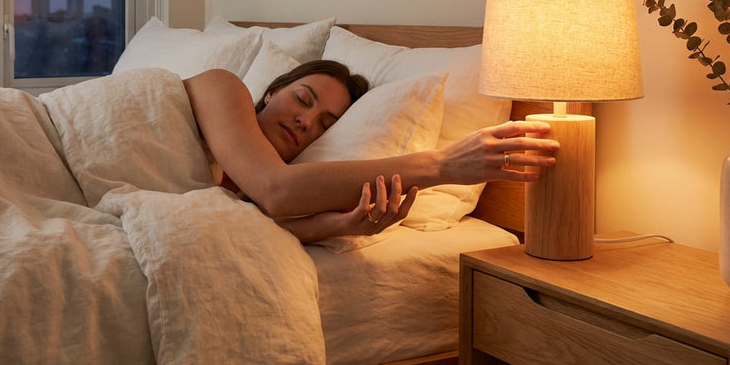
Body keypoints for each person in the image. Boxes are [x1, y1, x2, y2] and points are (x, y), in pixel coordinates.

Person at [183, 60, 559, 243]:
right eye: (302, 99)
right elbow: (278, 190)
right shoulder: (223, 85)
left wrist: (342, 226)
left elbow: (260, 228)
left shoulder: (246, 192)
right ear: (271, 92)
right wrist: (444, 164)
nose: (305, 121)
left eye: (326, 125)